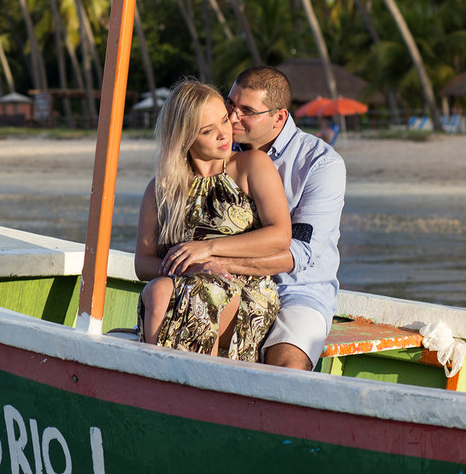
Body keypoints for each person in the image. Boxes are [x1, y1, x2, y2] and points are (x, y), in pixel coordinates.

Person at [134, 79, 293, 361]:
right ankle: (161, 377)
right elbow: (143, 263)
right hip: (183, 286)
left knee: (196, 293)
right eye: (209, 131)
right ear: (184, 138)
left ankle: (190, 381)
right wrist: (192, 267)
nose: (224, 134)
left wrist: (208, 248)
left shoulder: (250, 165)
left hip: (244, 290)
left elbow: (280, 235)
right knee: (158, 291)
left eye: (223, 121)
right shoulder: (161, 188)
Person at [211, 66, 347, 371]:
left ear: (279, 117)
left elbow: (299, 253)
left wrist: (215, 257)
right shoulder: (218, 148)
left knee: (288, 368)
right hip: (226, 282)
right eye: (230, 104)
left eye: (246, 110)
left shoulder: (320, 164)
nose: (232, 117)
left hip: (295, 291)